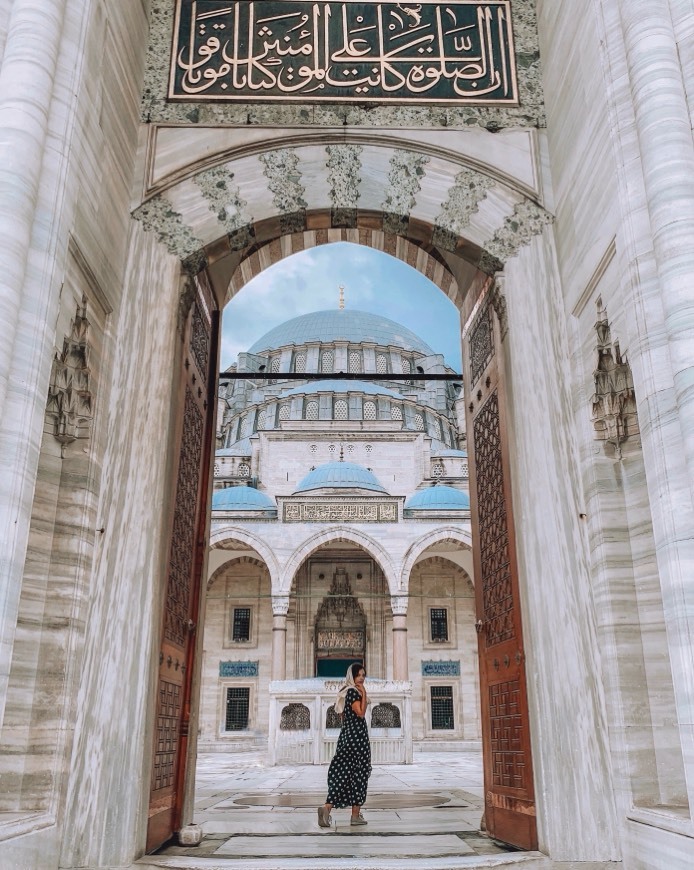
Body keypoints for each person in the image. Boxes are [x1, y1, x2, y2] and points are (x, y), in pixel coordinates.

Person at [317, 662, 372, 828]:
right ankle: (333, 810)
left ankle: (348, 814)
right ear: (352, 676)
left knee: (349, 775)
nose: (361, 678)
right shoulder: (353, 693)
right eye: (358, 675)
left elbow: (343, 718)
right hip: (357, 741)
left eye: (363, 675)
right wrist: (363, 693)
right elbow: (361, 714)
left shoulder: (344, 693)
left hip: (348, 738)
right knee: (356, 774)